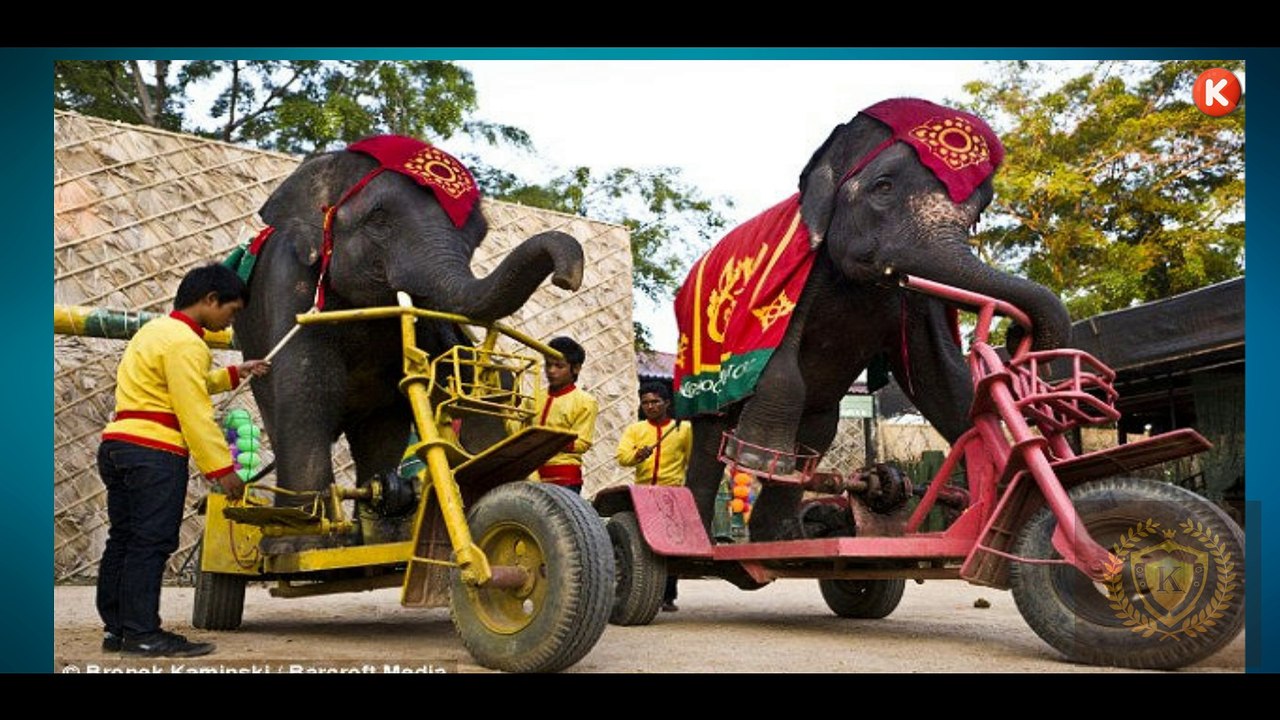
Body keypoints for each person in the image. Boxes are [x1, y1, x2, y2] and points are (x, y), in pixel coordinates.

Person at [96, 263, 271, 658]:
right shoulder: (188, 343)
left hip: (119, 446)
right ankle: (143, 633)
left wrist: (231, 374)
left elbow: (179, 383)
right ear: (210, 300)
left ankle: (118, 629)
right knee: (150, 542)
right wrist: (223, 470)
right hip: (154, 453)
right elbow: (193, 411)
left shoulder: (157, 332)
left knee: (123, 539)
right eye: (231, 310)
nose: (231, 320)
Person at [615, 381, 693, 611]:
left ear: (667, 403)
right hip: (643, 495)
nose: (650, 406)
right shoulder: (635, 430)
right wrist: (638, 455)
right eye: (646, 402)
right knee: (645, 546)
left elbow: (690, 460)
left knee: (671, 547)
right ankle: (646, 593)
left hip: (672, 495)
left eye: (655, 402)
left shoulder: (683, 429)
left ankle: (668, 596)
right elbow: (622, 457)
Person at [529, 336, 599, 494]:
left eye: (559, 366)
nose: (551, 371)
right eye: (548, 365)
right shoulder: (533, 397)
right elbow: (517, 428)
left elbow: (582, 443)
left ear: (576, 368)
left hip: (564, 478)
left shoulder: (585, 402)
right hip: (530, 474)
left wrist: (549, 440)